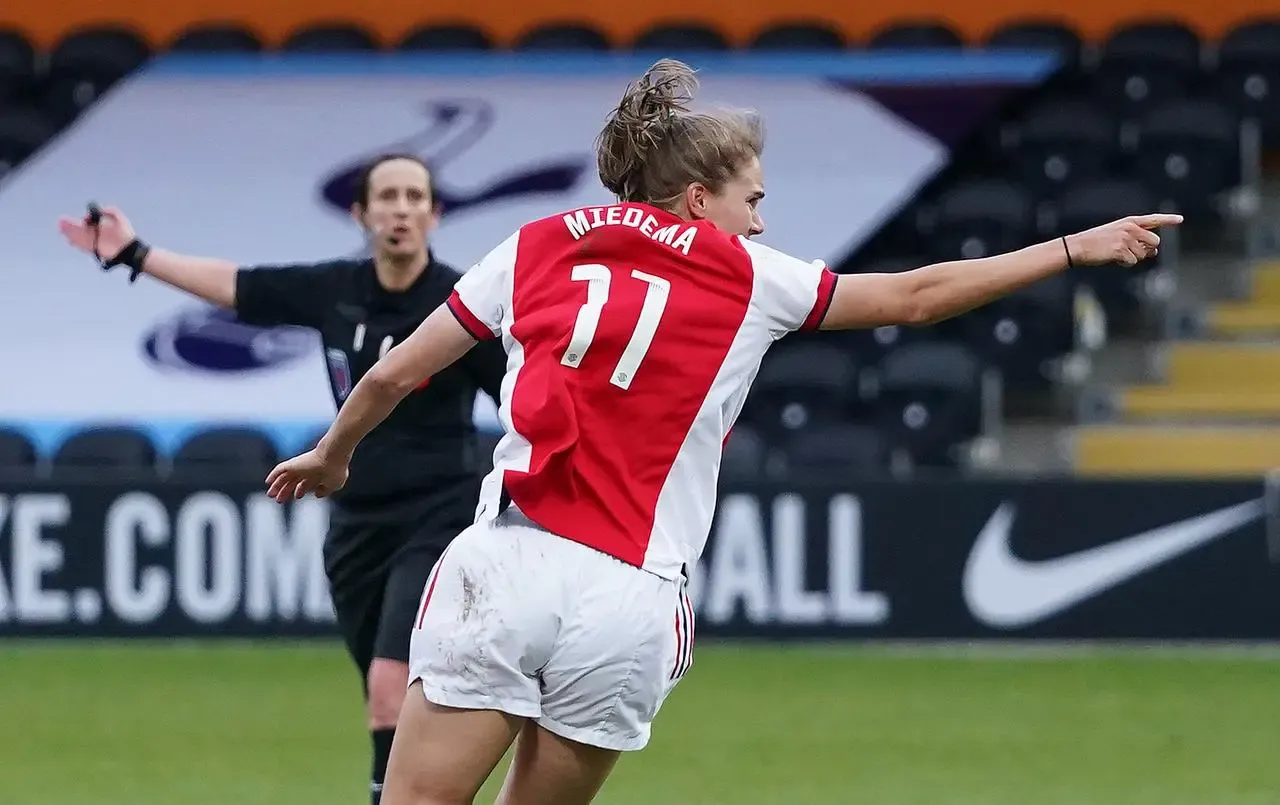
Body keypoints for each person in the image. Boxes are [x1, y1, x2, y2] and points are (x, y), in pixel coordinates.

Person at [263, 60, 1182, 805]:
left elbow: (394, 370)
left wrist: (332, 453)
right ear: (698, 198)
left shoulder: (536, 244)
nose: (762, 218)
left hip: (508, 565)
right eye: (754, 198)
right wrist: (1069, 247)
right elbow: (915, 296)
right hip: (631, 597)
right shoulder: (750, 276)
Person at [56, 154, 506, 805]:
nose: (401, 208)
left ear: (435, 213)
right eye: (388, 196)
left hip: (442, 515)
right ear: (362, 213)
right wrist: (134, 252)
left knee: (392, 682)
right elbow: (237, 285)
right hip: (355, 522)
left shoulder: (463, 304)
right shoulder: (334, 289)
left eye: (415, 196)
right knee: (386, 700)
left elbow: (523, 396)